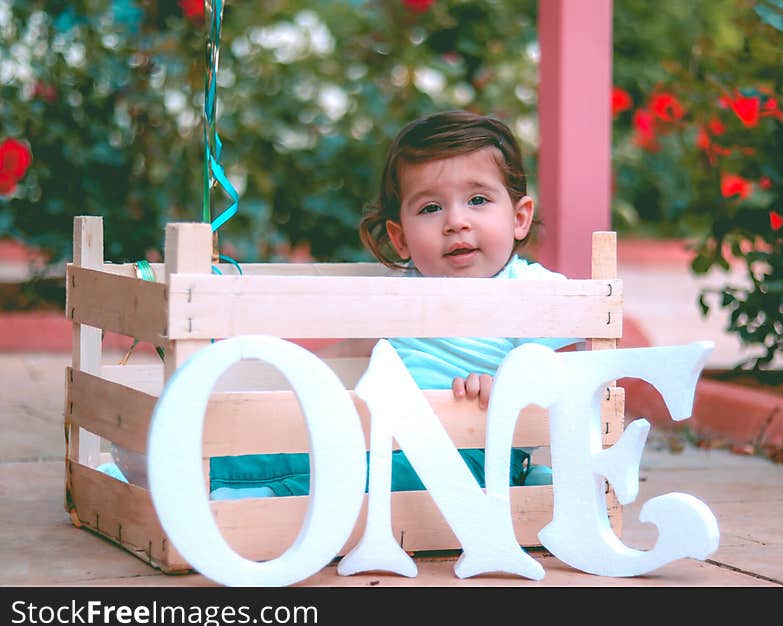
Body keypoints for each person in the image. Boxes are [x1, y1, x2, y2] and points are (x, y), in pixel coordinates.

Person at [209, 110, 580, 499]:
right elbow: (357, 347)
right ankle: (206, 479)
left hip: (468, 457)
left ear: (519, 218)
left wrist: (508, 390)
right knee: (282, 451)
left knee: (372, 477)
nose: (456, 221)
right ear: (400, 238)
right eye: (430, 208)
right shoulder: (401, 291)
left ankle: (274, 502)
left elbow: (568, 386)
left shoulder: (536, 293)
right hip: (381, 434)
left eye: (477, 199)